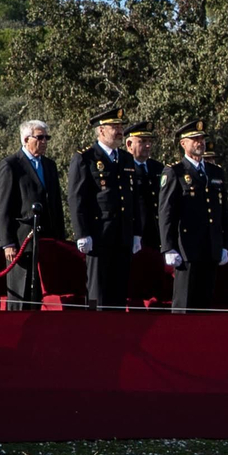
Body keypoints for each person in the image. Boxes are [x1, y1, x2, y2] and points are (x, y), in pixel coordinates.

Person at [67, 108, 143, 309]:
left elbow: (133, 198)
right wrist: (82, 233)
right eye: (114, 127)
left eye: (121, 127)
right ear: (101, 131)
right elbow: (77, 198)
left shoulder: (126, 159)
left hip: (122, 236)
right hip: (99, 236)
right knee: (98, 295)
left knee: (118, 295)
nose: (120, 131)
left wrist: (136, 233)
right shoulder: (86, 158)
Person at [159, 121, 228, 312]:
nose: (200, 143)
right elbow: (166, 212)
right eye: (195, 139)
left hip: (210, 246)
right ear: (183, 143)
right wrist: (169, 247)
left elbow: (222, 211)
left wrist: (225, 244)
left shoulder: (214, 172)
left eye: (202, 139)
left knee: (204, 304)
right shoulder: (175, 171)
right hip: (187, 249)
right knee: (184, 303)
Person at [0, 119, 66, 308]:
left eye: (47, 137)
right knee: (21, 293)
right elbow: (4, 207)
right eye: (40, 137)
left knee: (40, 294)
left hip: (46, 240)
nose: (44, 141)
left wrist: (60, 238)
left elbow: (56, 204)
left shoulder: (49, 166)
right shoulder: (11, 165)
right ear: (26, 139)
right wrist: (7, 242)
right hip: (21, 242)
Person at [125, 122, 162, 239]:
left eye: (149, 141)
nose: (148, 145)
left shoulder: (158, 168)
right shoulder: (123, 168)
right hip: (134, 233)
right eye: (143, 141)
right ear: (129, 144)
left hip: (157, 233)